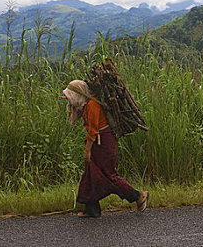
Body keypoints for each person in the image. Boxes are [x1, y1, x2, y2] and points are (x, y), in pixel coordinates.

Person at [62, 80, 148, 218]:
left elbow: (93, 130)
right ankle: (91, 209)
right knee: (91, 173)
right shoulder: (87, 104)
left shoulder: (92, 105)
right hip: (99, 141)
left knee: (109, 176)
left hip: (104, 142)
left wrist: (87, 150)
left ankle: (137, 195)